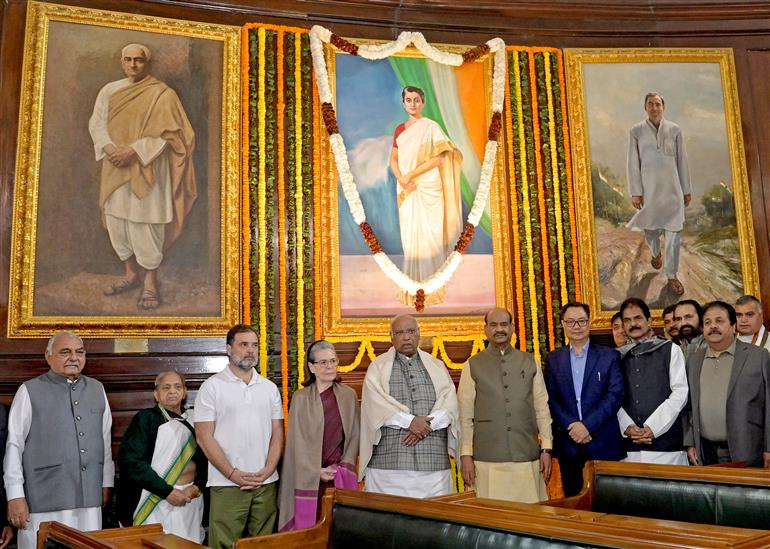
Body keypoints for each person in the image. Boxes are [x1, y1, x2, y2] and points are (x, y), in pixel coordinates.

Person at [89, 43, 197, 310]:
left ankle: (149, 282)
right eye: (128, 59)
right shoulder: (109, 90)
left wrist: (135, 151)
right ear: (122, 61)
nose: (133, 64)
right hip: (115, 164)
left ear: (146, 63)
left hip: (148, 166)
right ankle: (130, 274)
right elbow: (97, 123)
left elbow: (173, 135)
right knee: (117, 221)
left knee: (146, 224)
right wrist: (111, 149)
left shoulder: (163, 94)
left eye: (139, 60)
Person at [4, 332, 114, 549]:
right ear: (48, 356)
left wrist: (106, 482)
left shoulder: (97, 389)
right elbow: (14, 446)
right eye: (65, 352)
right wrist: (14, 495)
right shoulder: (28, 390)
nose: (74, 357)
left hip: (89, 498)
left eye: (79, 352)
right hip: (42, 498)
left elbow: (105, 440)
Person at [195, 325, 283, 548]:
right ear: (228, 348)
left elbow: (278, 433)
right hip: (227, 483)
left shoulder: (269, 388)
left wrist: (269, 469)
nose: (250, 350)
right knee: (224, 544)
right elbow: (204, 437)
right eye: (243, 345)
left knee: (264, 544)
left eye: (254, 345)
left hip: (266, 482)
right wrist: (231, 473)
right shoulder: (212, 387)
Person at [458, 308, 553, 502]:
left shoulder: (529, 361)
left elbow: (542, 407)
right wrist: (466, 454)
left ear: (512, 328)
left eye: (503, 324)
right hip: (487, 459)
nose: (499, 329)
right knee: (491, 520)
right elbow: (464, 415)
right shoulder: (473, 364)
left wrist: (547, 449)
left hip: (526, 455)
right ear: (485, 330)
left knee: (530, 519)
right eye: (493, 325)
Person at [359, 314, 459, 498]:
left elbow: (450, 403)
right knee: (388, 522)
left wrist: (426, 425)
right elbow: (375, 406)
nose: (406, 337)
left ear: (419, 334)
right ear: (391, 337)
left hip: (433, 465)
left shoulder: (437, 366)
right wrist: (410, 421)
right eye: (399, 332)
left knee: (434, 523)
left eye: (411, 331)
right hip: (388, 467)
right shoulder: (378, 367)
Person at [389, 86, 463, 307]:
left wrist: (410, 174)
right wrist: (401, 178)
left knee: (430, 236)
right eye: (409, 100)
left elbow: (441, 159)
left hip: (428, 187)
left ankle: (432, 288)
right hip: (406, 187)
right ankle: (412, 286)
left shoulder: (431, 127)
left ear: (423, 103)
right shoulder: (399, 130)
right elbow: (393, 158)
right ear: (403, 103)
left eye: (417, 100)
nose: (413, 104)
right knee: (411, 237)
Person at [544, 302, 625, 497]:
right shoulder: (554, 359)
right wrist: (572, 425)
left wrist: (588, 426)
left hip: (603, 442)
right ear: (563, 325)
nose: (577, 326)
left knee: (609, 503)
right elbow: (550, 398)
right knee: (574, 504)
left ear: (589, 323)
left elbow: (615, 395)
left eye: (581, 321)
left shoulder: (609, 356)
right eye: (571, 322)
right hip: (569, 444)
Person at [117, 371, 207, 542]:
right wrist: (167, 492)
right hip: (155, 499)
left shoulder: (195, 421)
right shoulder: (145, 419)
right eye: (166, 387)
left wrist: (197, 486)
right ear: (156, 395)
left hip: (189, 500)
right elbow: (131, 462)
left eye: (177, 386)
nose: (172, 391)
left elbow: (206, 460)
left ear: (185, 392)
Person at [278, 341, 359, 531]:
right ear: (312, 367)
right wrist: (316, 471)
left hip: (338, 476)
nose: (330, 366)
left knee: (337, 531)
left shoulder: (349, 395)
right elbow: (295, 444)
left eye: (333, 361)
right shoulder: (300, 398)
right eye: (323, 363)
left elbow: (355, 435)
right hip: (309, 477)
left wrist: (342, 467)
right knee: (310, 533)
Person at [685, 301, 770, 467]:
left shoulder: (758, 356)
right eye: (707, 322)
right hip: (705, 450)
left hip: (747, 448)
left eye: (719, 321)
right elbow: (688, 407)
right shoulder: (694, 360)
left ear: (733, 326)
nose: (713, 326)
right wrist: (691, 442)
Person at [626, 92, 691, 295]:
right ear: (645, 108)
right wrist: (636, 192)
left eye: (658, 104)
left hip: (673, 191)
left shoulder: (675, 130)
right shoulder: (636, 131)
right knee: (651, 230)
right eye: (650, 104)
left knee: (674, 233)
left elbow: (682, 161)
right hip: (650, 192)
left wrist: (686, 189)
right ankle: (655, 253)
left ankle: (671, 276)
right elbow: (632, 163)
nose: (654, 108)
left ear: (664, 107)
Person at [617, 298, 688, 465]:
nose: (633, 324)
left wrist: (652, 428)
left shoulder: (670, 349)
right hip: (629, 446)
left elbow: (680, 393)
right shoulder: (616, 356)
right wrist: (627, 427)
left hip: (666, 447)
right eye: (627, 320)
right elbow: (612, 397)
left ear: (649, 321)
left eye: (638, 318)